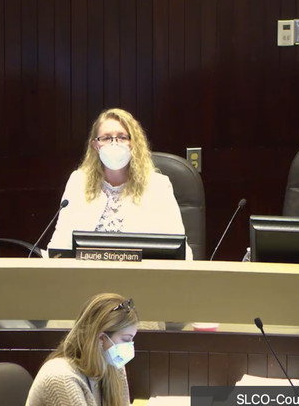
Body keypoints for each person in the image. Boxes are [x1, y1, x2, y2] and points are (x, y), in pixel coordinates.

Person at [45, 108, 192, 259]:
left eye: (122, 137)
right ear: (95, 145)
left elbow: (180, 251)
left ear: (133, 143)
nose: (114, 144)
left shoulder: (157, 186)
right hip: (88, 276)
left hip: (141, 277)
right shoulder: (79, 182)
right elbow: (60, 245)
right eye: (107, 138)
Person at [26, 293, 138, 406]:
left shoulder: (113, 365)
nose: (130, 346)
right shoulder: (62, 377)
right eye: (126, 339)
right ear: (100, 338)